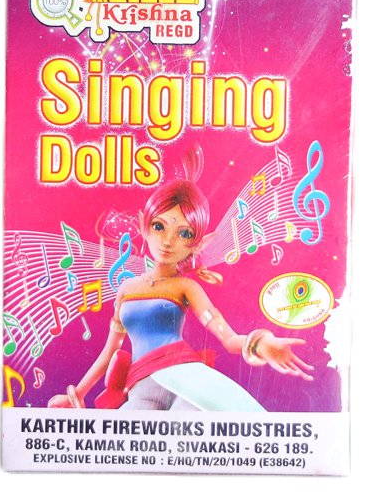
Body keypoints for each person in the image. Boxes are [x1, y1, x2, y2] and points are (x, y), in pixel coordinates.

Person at [48, 148, 313, 411]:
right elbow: (109, 352)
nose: (168, 241)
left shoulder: (186, 287)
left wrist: (261, 345)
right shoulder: (127, 289)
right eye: (159, 227)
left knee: (187, 430)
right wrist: (76, 395)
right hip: (139, 382)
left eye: (184, 234)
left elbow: (228, 337)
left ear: (198, 244)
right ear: (143, 226)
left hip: (185, 378)